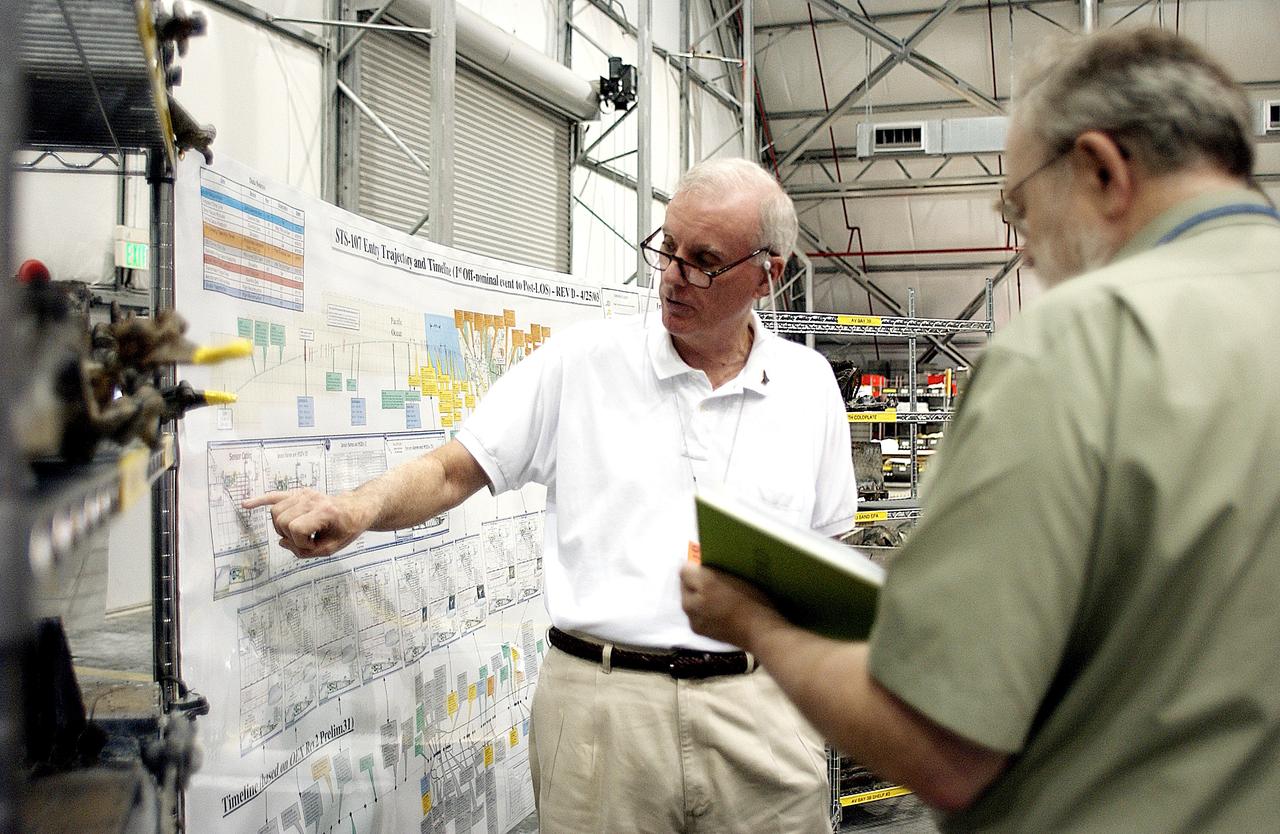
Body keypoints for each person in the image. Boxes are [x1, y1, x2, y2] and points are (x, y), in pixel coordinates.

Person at [681, 27, 1280, 833]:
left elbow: (940, 750)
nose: (1025, 250)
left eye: (1021, 207)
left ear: (1101, 169)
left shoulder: (1078, 346)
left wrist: (752, 621)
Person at [245, 157, 859, 833]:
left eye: (703, 259)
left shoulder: (807, 386)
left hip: (760, 708)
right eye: (667, 247)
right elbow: (456, 468)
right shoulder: (583, 364)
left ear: (767, 272)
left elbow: (827, 543)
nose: (672, 274)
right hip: (604, 709)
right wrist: (359, 507)